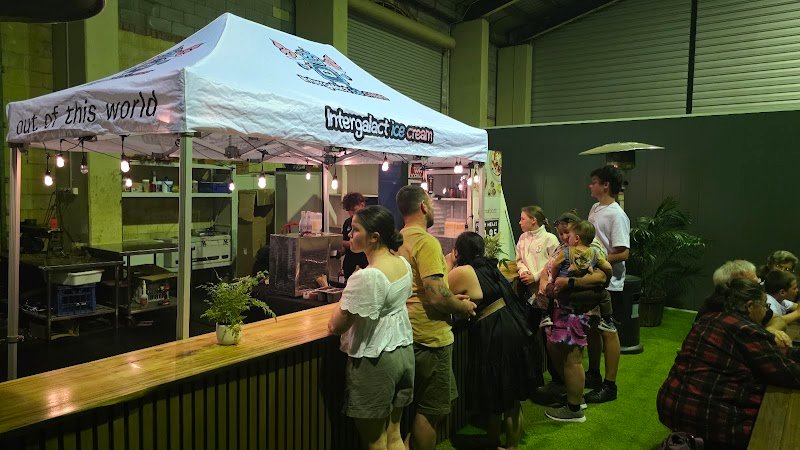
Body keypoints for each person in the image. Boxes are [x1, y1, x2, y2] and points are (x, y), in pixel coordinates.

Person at [657, 278, 800, 449]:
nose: (766, 311)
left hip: (671, 403)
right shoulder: (744, 329)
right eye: (764, 306)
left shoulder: (709, 319)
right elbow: (788, 374)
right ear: (749, 306)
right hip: (708, 415)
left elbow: (768, 353)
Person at [395, 185, 477, 450]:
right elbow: (437, 296)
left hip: (406, 333)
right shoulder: (426, 241)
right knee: (432, 409)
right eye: (430, 202)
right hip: (430, 337)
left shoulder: (397, 241)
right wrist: (462, 307)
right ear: (423, 206)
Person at [328, 205, 414, 450]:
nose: (350, 235)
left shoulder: (368, 276)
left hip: (376, 359)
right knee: (394, 435)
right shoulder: (402, 264)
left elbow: (336, 325)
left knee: (375, 440)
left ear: (374, 237)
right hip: (403, 352)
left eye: (355, 230)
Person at [447, 232, 542, 449]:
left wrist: (450, 261)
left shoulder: (462, 271)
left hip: (493, 332)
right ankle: (500, 441)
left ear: (458, 252)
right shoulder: (489, 266)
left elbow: (440, 292)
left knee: (500, 390)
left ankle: (507, 445)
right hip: (511, 325)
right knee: (508, 393)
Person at [585, 165, 628, 403]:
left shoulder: (616, 215)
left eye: (594, 182)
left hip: (609, 284)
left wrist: (595, 260)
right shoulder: (595, 208)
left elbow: (623, 252)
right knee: (592, 327)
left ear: (605, 185)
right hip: (593, 280)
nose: (590, 186)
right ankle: (593, 373)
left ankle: (610, 385)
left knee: (608, 331)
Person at [539, 220, 614, 330]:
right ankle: (607, 320)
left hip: (565, 292)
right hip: (586, 293)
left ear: (577, 238)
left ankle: (545, 316)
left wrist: (553, 278)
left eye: (569, 236)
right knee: (605, 295)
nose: (566, 238)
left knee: (546, 290)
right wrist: (607, 281)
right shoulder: (595, 252)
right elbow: (608, 268)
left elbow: (555, 265)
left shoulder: (567, 251)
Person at [515, 205, 559, 302]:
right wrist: (523, 271)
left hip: (544, 289)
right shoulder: (522, 237)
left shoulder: (550, 239)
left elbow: (554, 264)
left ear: (533, 220)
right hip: (527, 289)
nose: (519, 222)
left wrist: (535, 276)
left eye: (522, 219)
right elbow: (519, 260)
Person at [341, 192, 369, 281]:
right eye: (348, 211)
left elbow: (360, 244)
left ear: (362, 205)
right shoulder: (347, 222)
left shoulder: (370, 222)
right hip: (349, 268)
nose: (351, 214)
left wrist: (338, 241)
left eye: (353, 210)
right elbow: (346, 243)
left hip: (365, 267)